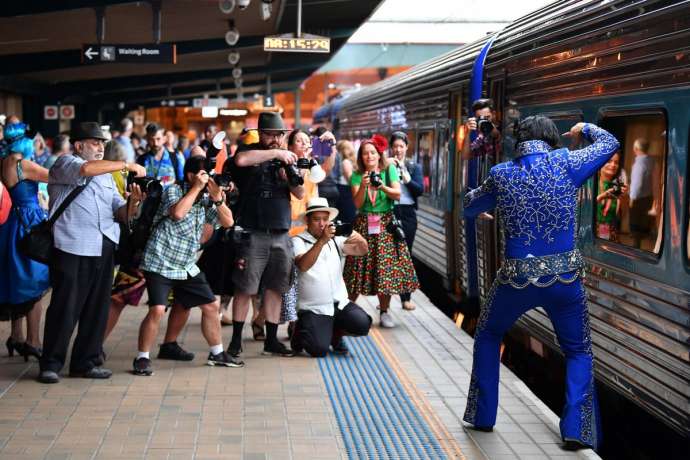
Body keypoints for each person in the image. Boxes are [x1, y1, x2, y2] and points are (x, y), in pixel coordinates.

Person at [462, 116, 619, 451]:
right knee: (578, 349)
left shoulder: (500, 174)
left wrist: (485, 209)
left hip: (516, 280)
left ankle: (483, 415)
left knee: (489, 334)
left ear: (518, 140)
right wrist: (584, 129)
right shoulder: (566, 163)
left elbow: (470, 204)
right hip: (565, 281)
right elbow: (610, 144)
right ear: (551, 139)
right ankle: (577, 428)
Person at [38, 122, 147, 384]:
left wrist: (133, 202)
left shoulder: (107, 176)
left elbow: (120, 213)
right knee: (65, 307)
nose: (100, 148)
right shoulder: (64, 163)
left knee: (97, 310)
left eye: (102, 144)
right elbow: (85, 169)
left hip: (104, 246)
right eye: (95, 143)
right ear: (79, 145)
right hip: (73, 246)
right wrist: (126, 165)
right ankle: (51, 363)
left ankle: (84, 362)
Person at [132, 156, 241, 375]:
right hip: (159, 260)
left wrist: (218, 198)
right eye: (202, 175)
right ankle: (142, 358)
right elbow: (178, 213)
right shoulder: (173, 190)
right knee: (157, 310)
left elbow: (228, 222)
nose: (207, 178)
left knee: (211, 306)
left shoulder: (206, 198)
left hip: (186, 264)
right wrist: (197, 188)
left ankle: (217, 353)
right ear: (191, 176)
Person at [227, 112, 304, 358]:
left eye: (279, 136)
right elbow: (239, 160)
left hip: (281, 233)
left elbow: (301, 193)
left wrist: (289, 174)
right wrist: (276, 153)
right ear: (261, 134)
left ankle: (271, 340)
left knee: (275, 288)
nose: (275, 140)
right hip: (254, 232)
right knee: (245, 288)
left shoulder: (288, 160)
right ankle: (236, 340)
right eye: (271, 135)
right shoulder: (251, 151)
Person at [343, 135, 419, 328]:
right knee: (356, 268)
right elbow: (358, 203)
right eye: (365, 153)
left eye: (372, 153)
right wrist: (363, 185)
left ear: (379, 155)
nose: (369, 156)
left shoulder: (389, 170)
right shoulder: (356, 175)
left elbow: (397, 193)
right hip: (363, 225)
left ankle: (384, 311)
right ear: (361, 157)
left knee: (385, 270)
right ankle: (346, 310)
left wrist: (380, 186)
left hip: (385, 223)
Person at [290, 197, 371, 357]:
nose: (321, 224)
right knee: (318, 350)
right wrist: (321, 241)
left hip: (338, 304)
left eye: (325, 220)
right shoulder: (297, 240)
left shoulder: (336, 241)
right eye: (316, 220)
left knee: (362, 324)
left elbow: (361, 250)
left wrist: (358, 238)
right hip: (312, 308)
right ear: (307, 220)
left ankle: (335, 335)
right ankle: (298, 330)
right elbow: (303, 265)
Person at [0, 147, 50, 362]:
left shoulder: (3, 164)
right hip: (30, 224)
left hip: (10, 225)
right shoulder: (21, 163)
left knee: (17, 280)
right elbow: (57, 177)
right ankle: (33, 341)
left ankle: (16, 336)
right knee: (35, 282)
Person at [389, 131, 424, 310]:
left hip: (408, 213)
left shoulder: (413, 167)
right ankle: (385, 300)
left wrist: (408, 179)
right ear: (391, 148)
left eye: (401, 146)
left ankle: (406, 298)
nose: (398, 150)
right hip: (391, 211)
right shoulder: (386, 166)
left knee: (406, 254)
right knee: (388, 255)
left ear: (406, 148)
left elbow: (420, 190)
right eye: (395, 146)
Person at [137, 123, 184, 188]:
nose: (155, 143)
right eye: (151, 139)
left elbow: (181, 181)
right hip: (149, 197)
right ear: (147, 139)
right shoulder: (141, 159)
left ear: (164, 139)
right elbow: (138, 182)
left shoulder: (175, 157)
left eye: (158, 139)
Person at [628, 138, 654, 249]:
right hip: (648, 198)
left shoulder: (639, 163)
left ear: (636, 148)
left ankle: (635, 249)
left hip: (638, 199)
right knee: (643, 225)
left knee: (636, 227)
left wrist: (632, 199)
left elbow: (637, 184)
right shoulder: (651, 161)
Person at [596, 152, 627, 242]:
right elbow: (583, 208)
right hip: (591, 234)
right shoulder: (591, 183)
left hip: (609, 235)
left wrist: (624, 197)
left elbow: (622, 215)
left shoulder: (616, 187)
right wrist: (603, 196)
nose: (613, 165)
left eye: (616, 162)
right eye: (609, 161)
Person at [463, 98, 501, 163]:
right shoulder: (482, 138)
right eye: (480, 119)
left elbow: (497, 135)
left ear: (494, 114)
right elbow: (466, 156)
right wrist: (467, 132)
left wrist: (493, 130)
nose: (484, 121)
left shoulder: (505, 129)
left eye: (487, 117)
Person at [334, 140, 357, 224]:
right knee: (348, 218)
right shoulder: (348, 162)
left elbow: (351, 180)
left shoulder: (346, 162)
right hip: (347, 192)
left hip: (346, 191)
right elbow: (351, 180)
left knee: (347, 218)